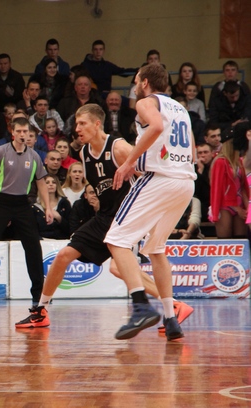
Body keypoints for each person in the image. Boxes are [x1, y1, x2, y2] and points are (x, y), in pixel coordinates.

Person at [15, 103, 193, 336]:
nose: (77, 129)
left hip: (129, 215)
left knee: (118, 268)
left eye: (82, 123)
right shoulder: (83, 153)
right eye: (76, 124)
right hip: (104, 217)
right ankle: (40, 310)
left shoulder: (119, 147)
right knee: (63, 256)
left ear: (97, 124)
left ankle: (171, 305)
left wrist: (151, 216)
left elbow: (149, 178)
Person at [104, 63, 196, 341]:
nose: (134, 86)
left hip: (160, 179)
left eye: (136, 81)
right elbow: (192, 148)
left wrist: (129, 162)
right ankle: (171, 319)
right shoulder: (180, 109)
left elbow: (155, 126)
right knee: (156, 249)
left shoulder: (146, 102)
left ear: (144, 82)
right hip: (185, 182)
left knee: (116, 240)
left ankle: (141, 306)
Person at [0, 118, 53, 305]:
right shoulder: (1, 151)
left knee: (33, 246)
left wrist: (48, 207)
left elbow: (41, 182)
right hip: (1, 201)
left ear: (30, 134)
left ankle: (38, 293)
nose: (23, 134)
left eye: (26, 131)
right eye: (19, 131)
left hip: (22, 203)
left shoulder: (34, 156)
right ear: (13, 133)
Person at [209, 127, 249, 238]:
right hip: (224, 205)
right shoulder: (220, 162)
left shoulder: (239, 162)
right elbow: (217, 188)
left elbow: (243, 186)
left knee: (241, 239)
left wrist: (246, 207)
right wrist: (236, 208)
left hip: (240, 202)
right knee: (224, 239)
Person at [34, 174, 70, 239]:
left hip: (61, 240)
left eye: (54, 182)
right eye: (47, 183)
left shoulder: (65, 203)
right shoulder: (35, 207)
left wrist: (59, 218)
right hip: (42, 240)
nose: (51, 184)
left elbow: (70, 228)